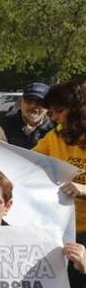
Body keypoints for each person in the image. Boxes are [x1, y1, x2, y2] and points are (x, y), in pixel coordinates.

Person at [34, 80, 86, 240]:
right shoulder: (55, 136)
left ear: (79, 110)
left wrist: (84, 189)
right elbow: (28, 161)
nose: (55, 117)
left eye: (59, 111)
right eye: (51, 113)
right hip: (60, 226)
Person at [0, 82, 54, 149]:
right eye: (29, 100)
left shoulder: (55, 129)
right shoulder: (3, 124)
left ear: (48, 106)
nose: (33, 106)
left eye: (40, 102)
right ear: (21, 101)